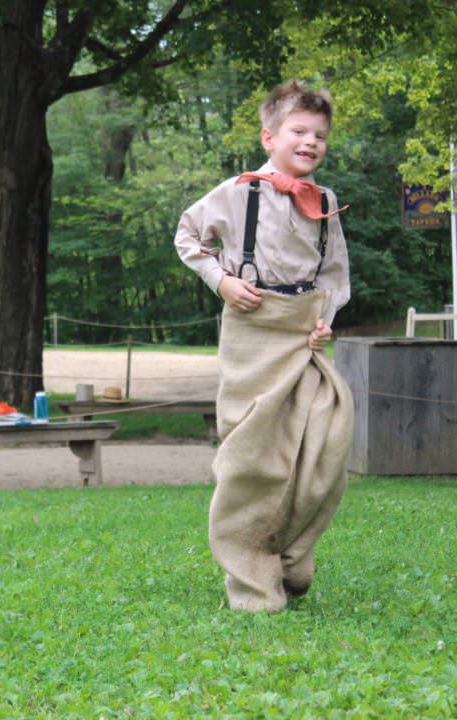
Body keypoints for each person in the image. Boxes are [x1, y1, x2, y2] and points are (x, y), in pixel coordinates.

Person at [174, 80, 354, 613]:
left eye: (319, 134)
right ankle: (253, 579)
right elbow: (188, 235)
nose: (310, 141)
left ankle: (292, 552)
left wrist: (325, 320)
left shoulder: (326, 203)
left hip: (302, 335)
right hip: (253, 332)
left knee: (325, 444)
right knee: (254, 460)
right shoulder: (238, 192)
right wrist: (221, 280)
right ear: (269, 136)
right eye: (298, 131)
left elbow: (335, 274)